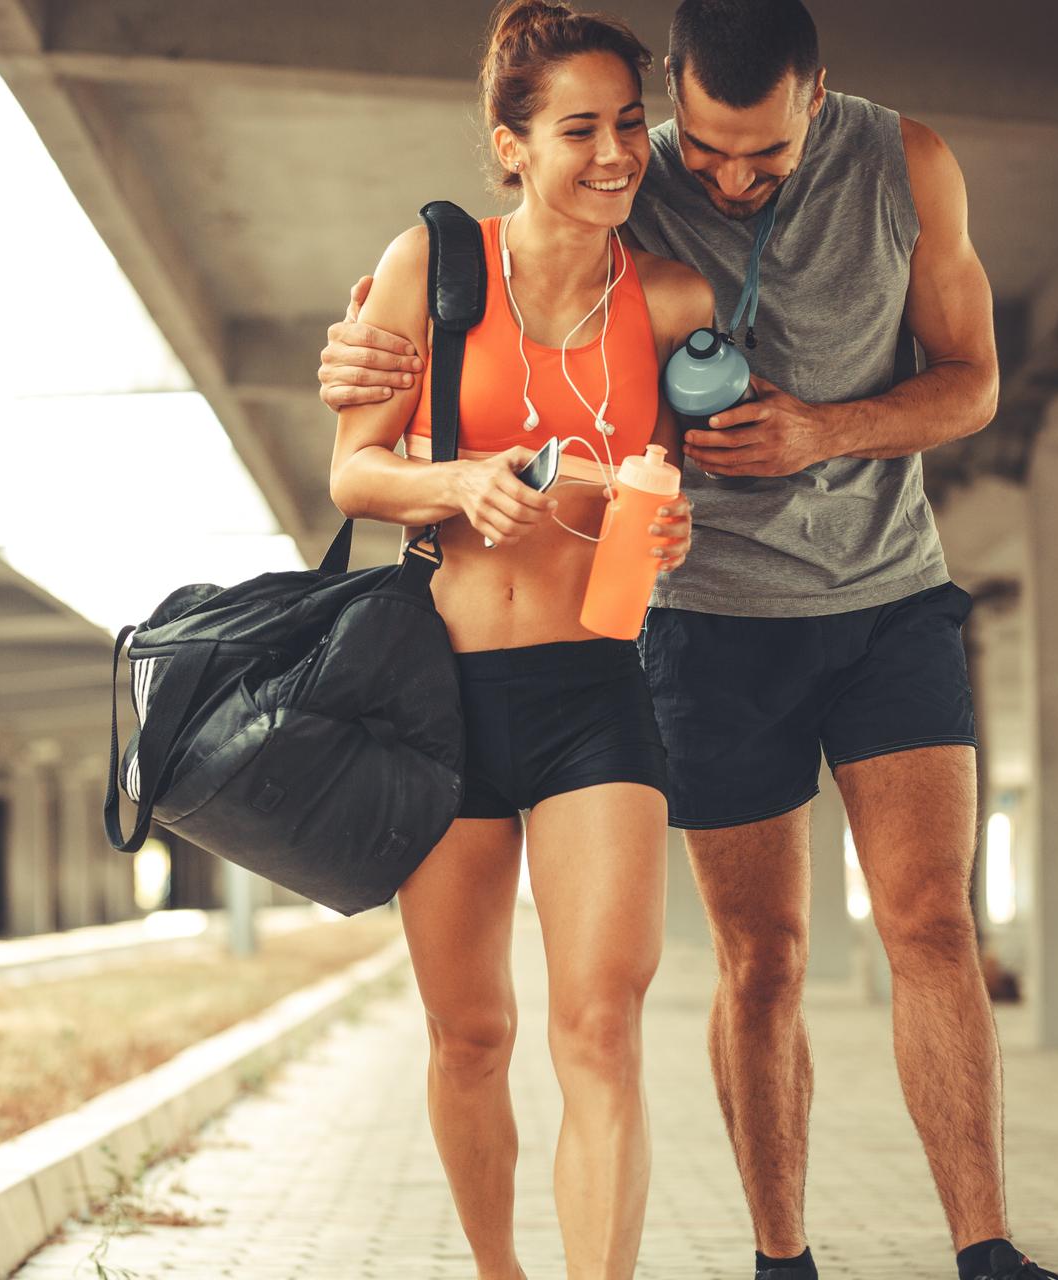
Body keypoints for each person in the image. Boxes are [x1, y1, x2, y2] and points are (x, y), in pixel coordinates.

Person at [321, 3, 1058, 1279]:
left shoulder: (868, 185)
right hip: (688, 631)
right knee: (690, 973)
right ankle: (773, 1257)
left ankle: (984, 1249)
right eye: (692, 151)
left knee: (907, 925)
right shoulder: (583, 196)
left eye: (759, 158)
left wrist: (812, 436)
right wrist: (392, 395)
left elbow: (976, 378)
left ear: (818, 95)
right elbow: (369, 446)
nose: (713, 178)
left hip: (853, 597)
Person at [328, 3, 714, 1276]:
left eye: (628, 124)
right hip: (440, 699)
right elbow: (356, 474)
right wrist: (459, 482)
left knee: (599, 1024)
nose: (615, 154)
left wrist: (664, 534)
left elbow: (678, 487)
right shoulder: (432, 267)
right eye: (579, 129)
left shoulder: (667, 298)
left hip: (596, 688)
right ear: (511, 144)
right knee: (471, 1033)